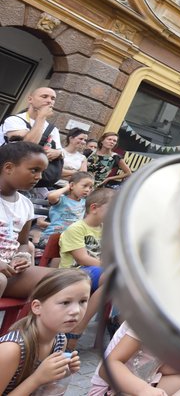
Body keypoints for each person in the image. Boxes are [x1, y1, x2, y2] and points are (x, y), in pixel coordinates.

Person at [0, 269, 87, 395]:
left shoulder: (60, 340)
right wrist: (36, 379)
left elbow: (46, 392)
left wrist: (61, 374)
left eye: (83, 301)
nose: (76, 310)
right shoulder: (12, 349)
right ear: (37, 307)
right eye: (65, 302)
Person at [58, 188, 114, 350]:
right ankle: (79, 327)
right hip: (74, 273)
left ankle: (120, 325)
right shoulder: (77, 228)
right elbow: (82, 258)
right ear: (94, 208)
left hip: (95, 274)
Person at [90, 321, 180, 396]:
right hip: (113, 388)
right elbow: (107, 367)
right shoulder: (147, 317)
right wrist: (143, 390)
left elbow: (163, 367)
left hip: (148, 384)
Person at [0, 142, 55, 299]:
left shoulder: (26, 204)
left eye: (42, 172)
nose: (39, 177)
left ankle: (25, 324)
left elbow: (23, 243)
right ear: (8, 168)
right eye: (34, 170)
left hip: (9, 270)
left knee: (64, 281)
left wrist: (22, 256)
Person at [39, 172, 94, 249]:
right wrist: (67, 187)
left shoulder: (84, 203)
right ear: (72, 185)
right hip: (51, 236)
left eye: (90, 187)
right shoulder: (62, 200)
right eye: (84, 186)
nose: (87, 190)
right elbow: (51, 196)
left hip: (70, 239)